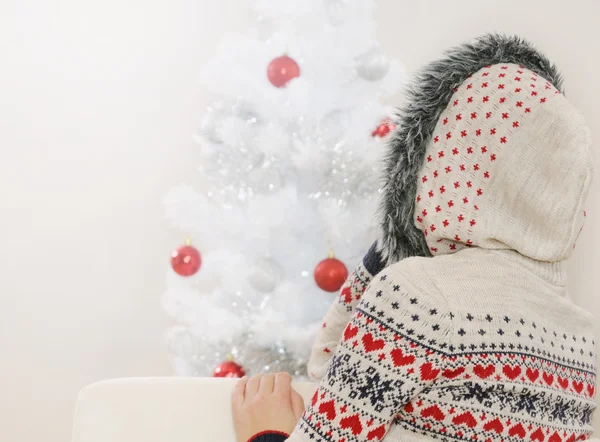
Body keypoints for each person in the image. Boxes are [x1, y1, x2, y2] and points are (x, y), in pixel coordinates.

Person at [232, 34, 596, 442]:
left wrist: (263, 433)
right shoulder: (581, 342)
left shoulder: (422, 297)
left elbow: (326, 368)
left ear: (445, 162)